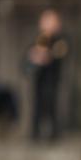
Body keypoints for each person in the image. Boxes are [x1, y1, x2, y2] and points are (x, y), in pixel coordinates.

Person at [25, 10, 68, 141]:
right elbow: (27, 60)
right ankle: (35, 134)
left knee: (52, 106)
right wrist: (33, 57)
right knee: (37, 106)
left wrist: (48, 56)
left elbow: (61, 53)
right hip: (39, 79)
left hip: (52, 79)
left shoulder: (60, 40)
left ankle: (54, 134)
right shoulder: (38, 39)